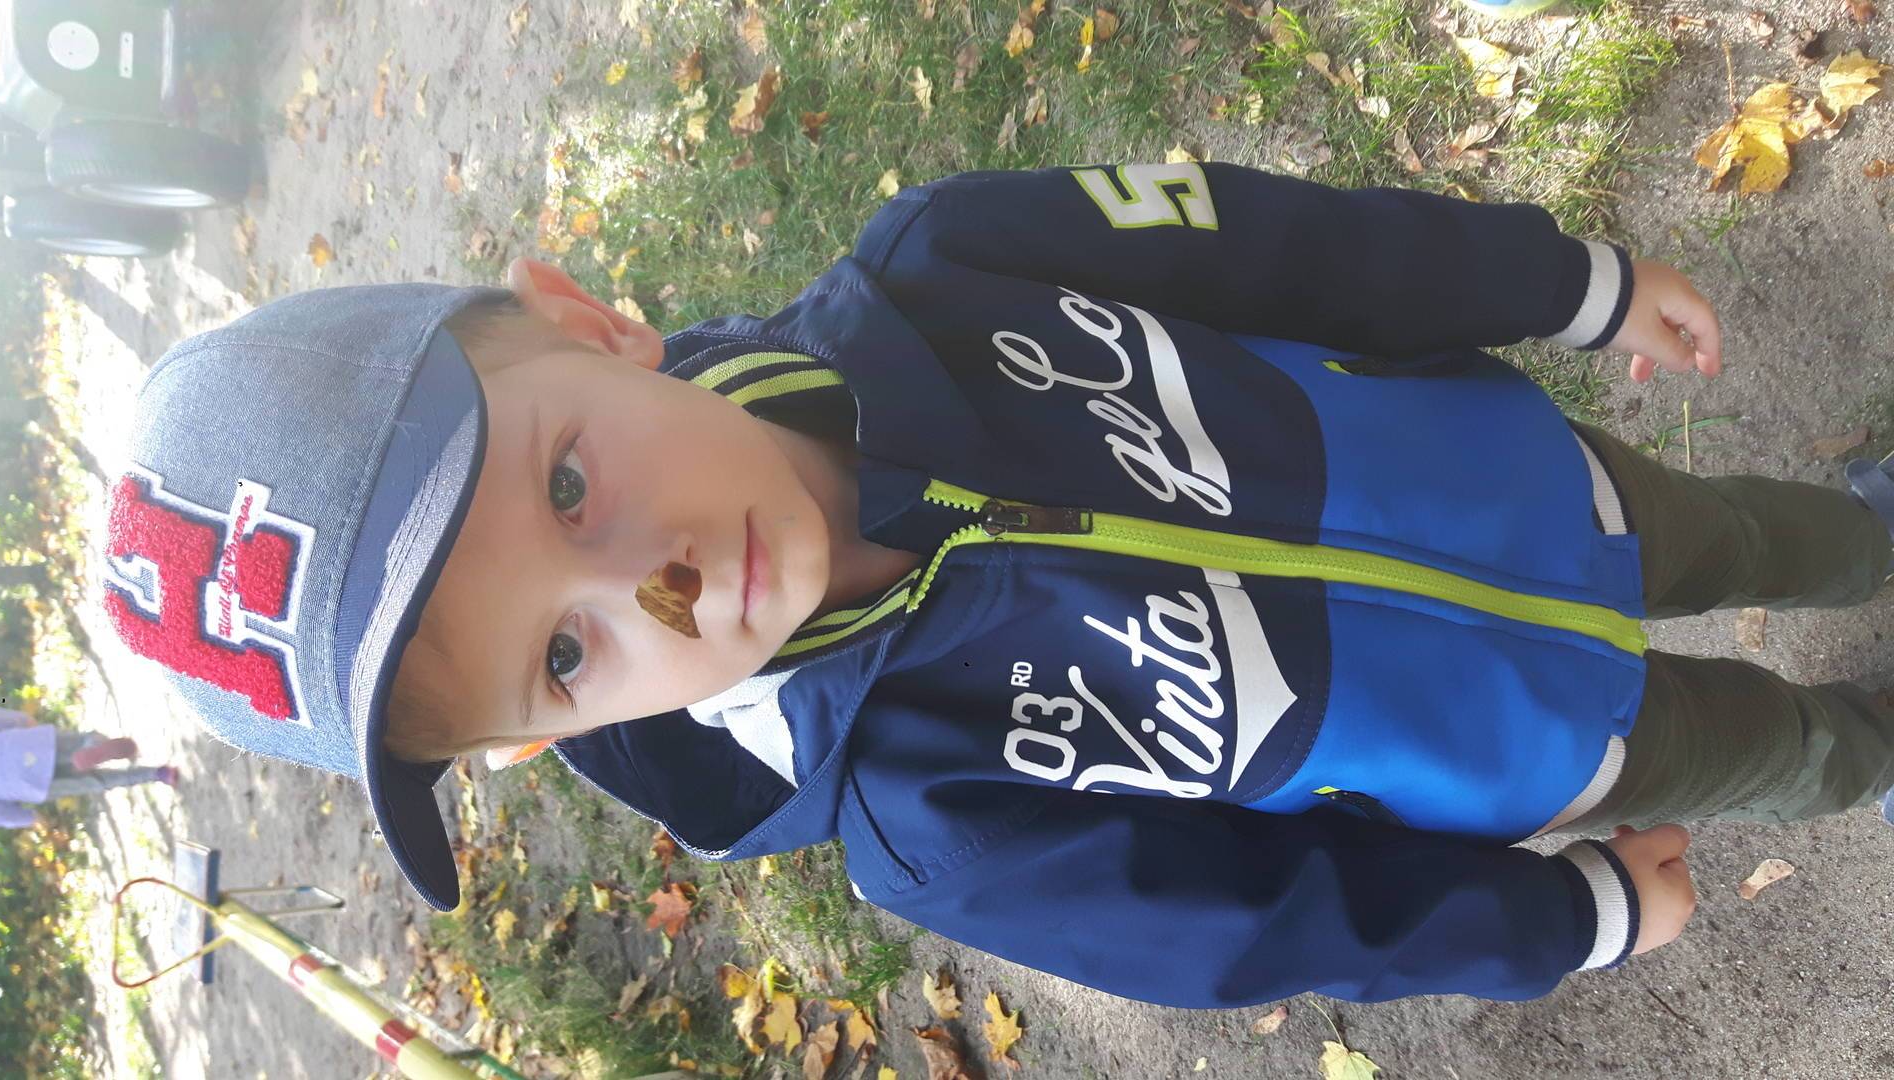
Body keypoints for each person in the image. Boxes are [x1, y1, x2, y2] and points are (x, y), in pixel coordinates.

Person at [99, 162, 1894, 1007]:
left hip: (1533, 479)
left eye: (568, 481)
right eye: (562, 659)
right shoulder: (930, 825)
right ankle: (1869, 749)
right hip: (1534, 753)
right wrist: (1560, 922)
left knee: (1759, 535)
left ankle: (1870, 537)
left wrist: (1566, 282)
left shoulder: (949, 266)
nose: (655, 587)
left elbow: (1294, 245)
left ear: (585, 321)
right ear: (531, 741)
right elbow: (1250, 929)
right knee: (1782, 753)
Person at [0, 706, 178, 827]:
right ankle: (94, 745)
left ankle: (158, 773)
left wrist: (26, 818)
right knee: (78, 744)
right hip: (18, 745)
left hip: (21, 783)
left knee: (96, 781)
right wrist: (20, 720)